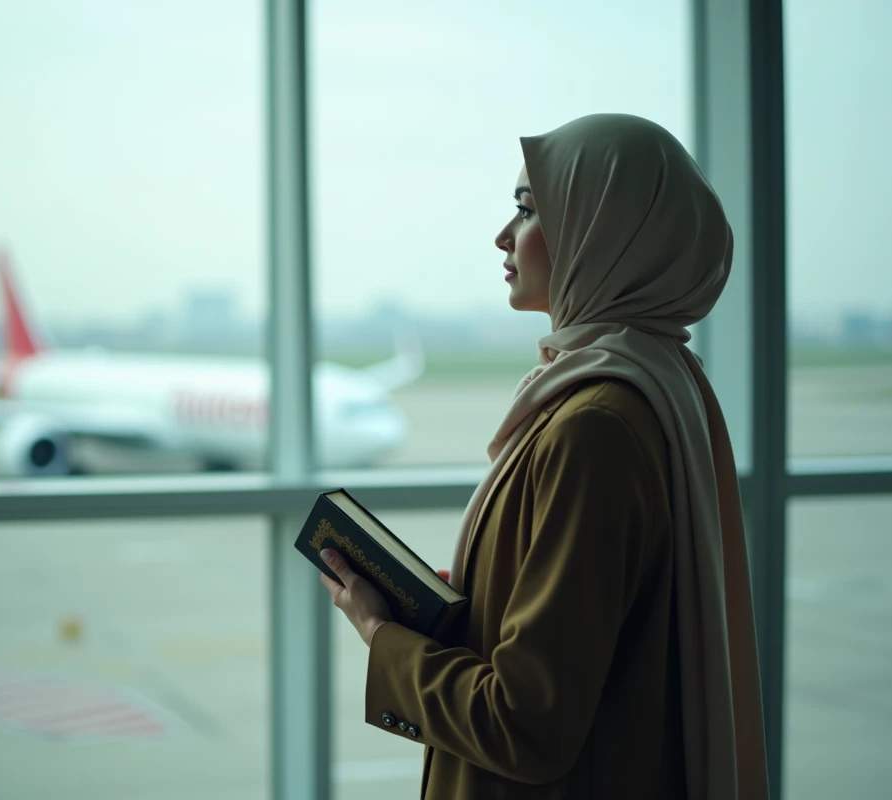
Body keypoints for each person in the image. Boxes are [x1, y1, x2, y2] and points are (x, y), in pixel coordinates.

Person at [318, 113, 769, 799]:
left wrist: (381, 634)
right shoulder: (657, 385)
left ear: (604, 234)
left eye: (528, 209)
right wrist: (467, 609)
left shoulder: (594, 426)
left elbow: (524, 725)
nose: (503, 236)